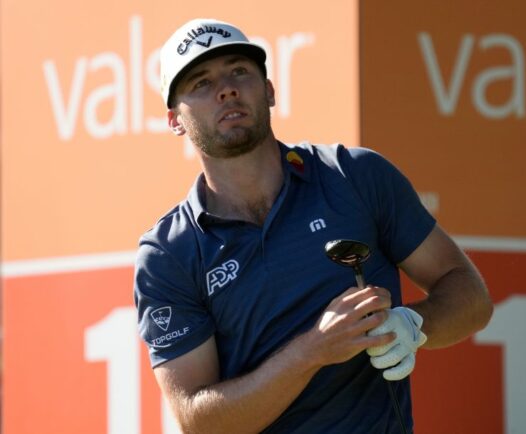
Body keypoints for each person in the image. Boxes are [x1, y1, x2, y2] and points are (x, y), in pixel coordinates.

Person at [134, 17, 493, 434]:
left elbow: (470, 295)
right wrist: (313, 350)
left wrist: (413, 326)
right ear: (174, 120)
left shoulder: (355, 175)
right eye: (200, 82)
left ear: (269, 91)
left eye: (239, 71)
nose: (226, 89)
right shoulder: (168, 254)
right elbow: (199, 421)